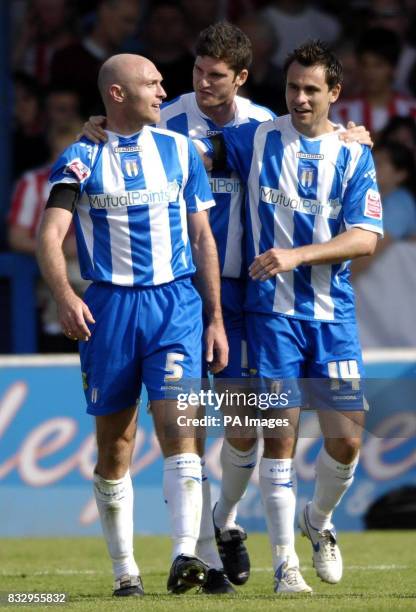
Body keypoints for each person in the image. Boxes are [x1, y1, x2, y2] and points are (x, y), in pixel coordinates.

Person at [82, 23, 373, 594]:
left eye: (216, 75)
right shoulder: (165, 118)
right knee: (237, 425)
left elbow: (308, 133)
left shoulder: (261, 127)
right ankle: (226, 539)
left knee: (276, 429)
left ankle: (236, 523)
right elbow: (121, 136)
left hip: (263, 291)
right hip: (202, 293)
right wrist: (97, 127)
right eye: (196, 71)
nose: (200, 83)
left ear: (240, 79)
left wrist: (344, 133)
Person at [36, 53, 228, 597]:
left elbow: (203, 238)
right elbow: (49, 237)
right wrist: (66, 294)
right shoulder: (80, 158)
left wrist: (214, 317)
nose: (164, 90)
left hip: (175, 305)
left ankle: (185, 556)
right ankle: (126, 573)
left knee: (179, 426)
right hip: (112, 309)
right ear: (117, 94)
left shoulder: (180, 151)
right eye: (152, 83)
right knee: (116, 445)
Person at [199, 40, 383, 594]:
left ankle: (318, 522)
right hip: (270, 313)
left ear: (335, 93)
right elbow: (188, 155)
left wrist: (296, 256)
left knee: (347, 439)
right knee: (278, 434)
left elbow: (366, 238)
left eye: (311, 89)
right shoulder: (255, 137)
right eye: (292, 88)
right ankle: (286, 566)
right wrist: (106, 131)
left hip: (332, 313)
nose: (299, 99)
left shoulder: (353, 153)